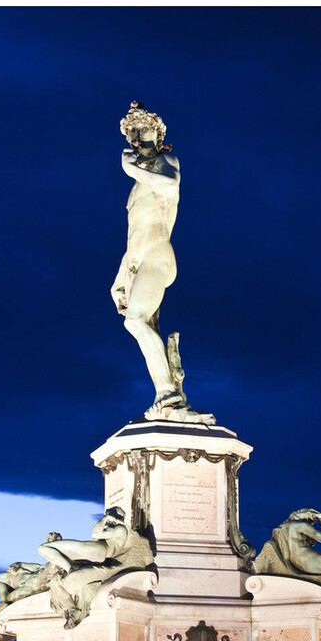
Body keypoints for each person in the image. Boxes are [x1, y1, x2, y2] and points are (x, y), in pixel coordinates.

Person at [112, 101, 187, 419]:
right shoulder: (136, 186)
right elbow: (133, 236)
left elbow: (169, 186)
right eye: (131, 136)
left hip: (158, 255)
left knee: (136, 321)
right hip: (139, 260)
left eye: (141, 133)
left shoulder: (166, 163)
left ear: (157, 136)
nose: (135, 140)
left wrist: (133, 169)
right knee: (140, 324)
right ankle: (170, 393)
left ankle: (168, 394)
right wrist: (120, 277)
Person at [38, 506, 155, 629]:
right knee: (45, 553)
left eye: (111, 514)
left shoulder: (121, 529)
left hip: (100, 552)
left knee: (47, 551)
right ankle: (73, 605)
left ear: (119, 517)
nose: (109, 516)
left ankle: (70, 572)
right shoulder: (111, 528)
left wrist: (105, 518)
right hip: (94, 552)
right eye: (107, 513)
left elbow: (95, 533)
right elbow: (95, 533)